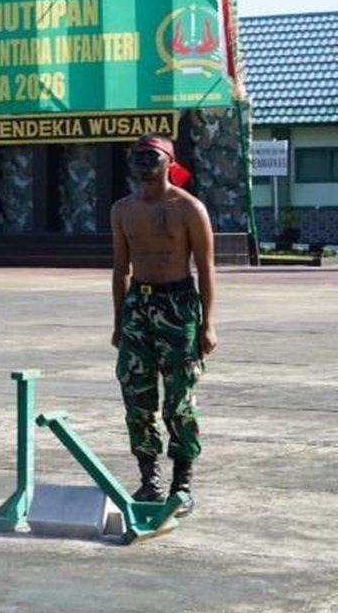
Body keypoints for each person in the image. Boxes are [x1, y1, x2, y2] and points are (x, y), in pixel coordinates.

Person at [111, 134, 216, 519]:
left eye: (150, 155)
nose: (142, 161)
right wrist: (120, 322)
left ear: (169, 161)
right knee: (136, 394)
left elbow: (205, 268)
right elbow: (121, 269)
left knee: (179, 400)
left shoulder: (190, 208)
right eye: (137, 156)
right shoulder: (122, 210)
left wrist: (208, 325)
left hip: (179, 305)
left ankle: (182, 484)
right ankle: (149, 479)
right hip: (139, 303)